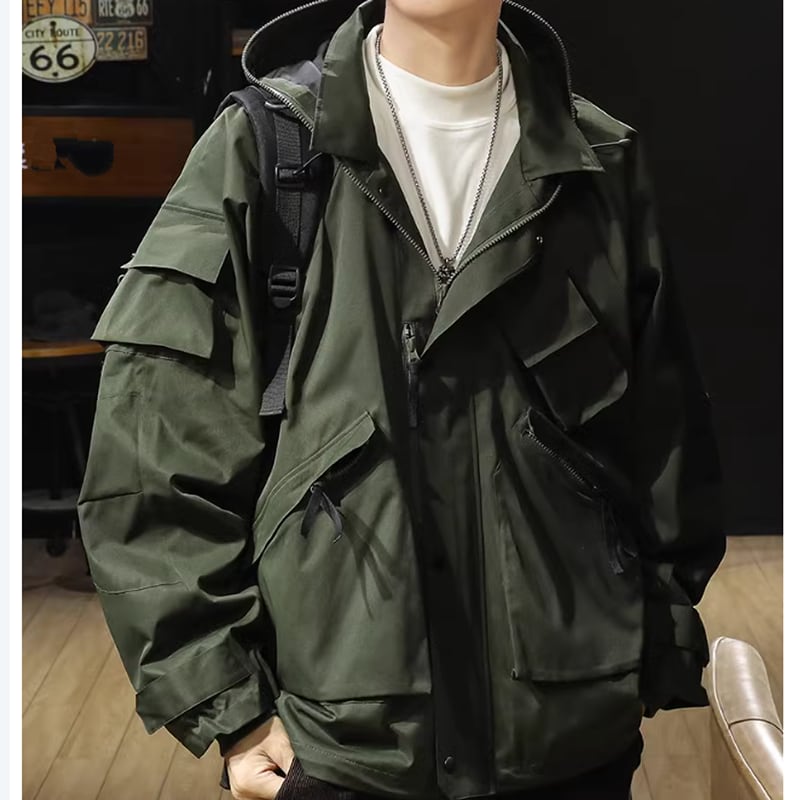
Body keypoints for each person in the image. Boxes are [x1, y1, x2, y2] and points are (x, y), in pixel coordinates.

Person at [77, 0, 727, 799]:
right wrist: (232, 710)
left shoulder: (599, 161)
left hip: (569, 740)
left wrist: (650, 643)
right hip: (342, 747)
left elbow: (665, 443)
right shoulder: (267, 149)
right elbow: (153, 460)